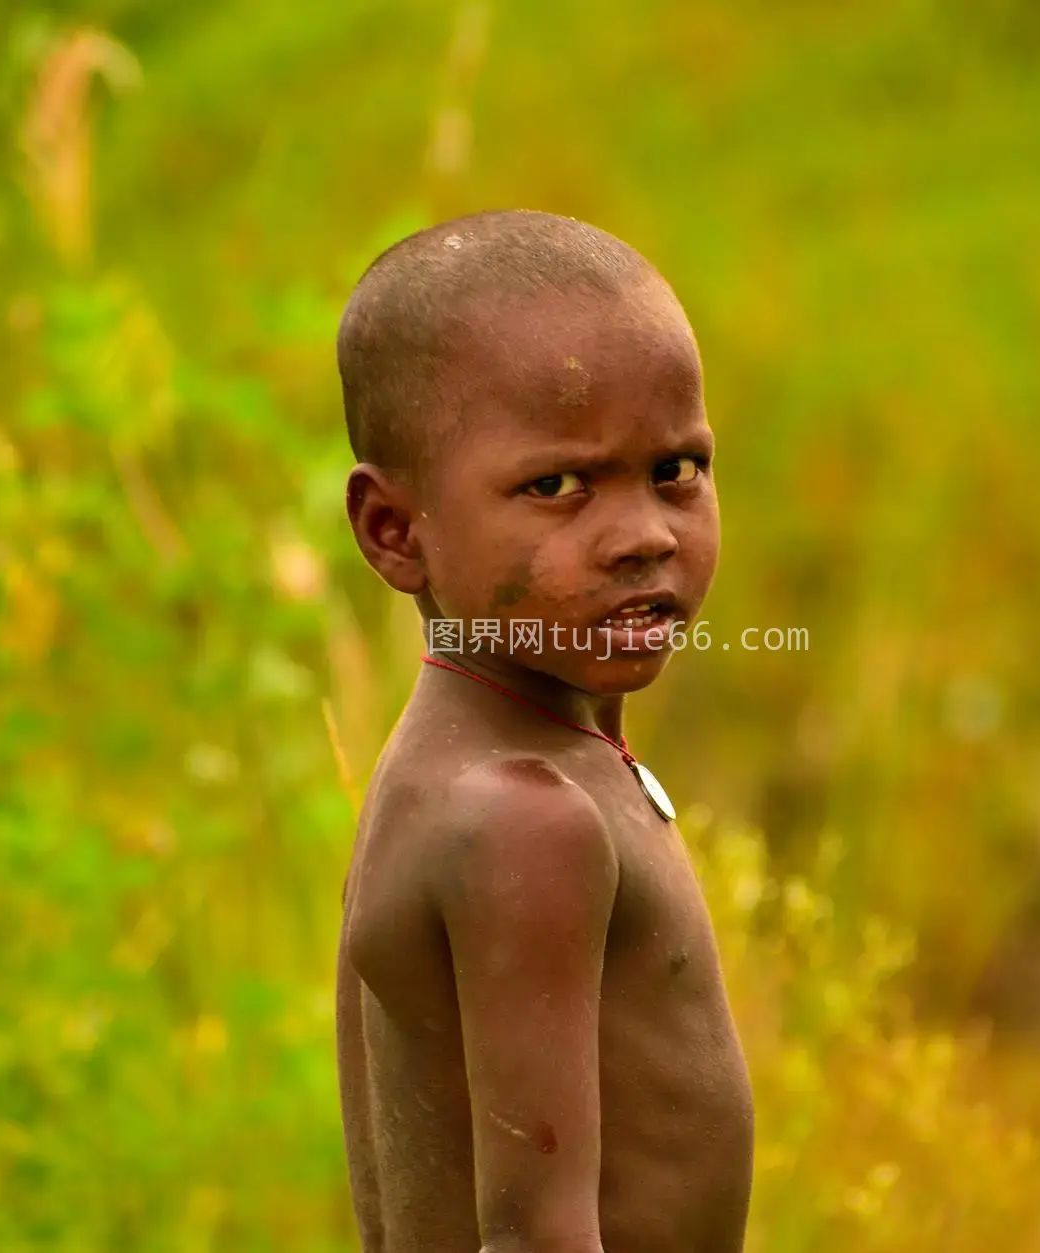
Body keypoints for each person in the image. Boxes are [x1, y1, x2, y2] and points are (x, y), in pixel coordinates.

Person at [333, 209, 753, 1253]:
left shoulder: (438, 767)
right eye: (556, 486)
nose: (644, 534)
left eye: (676, 470)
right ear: (396, 531)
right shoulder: (525, 818)